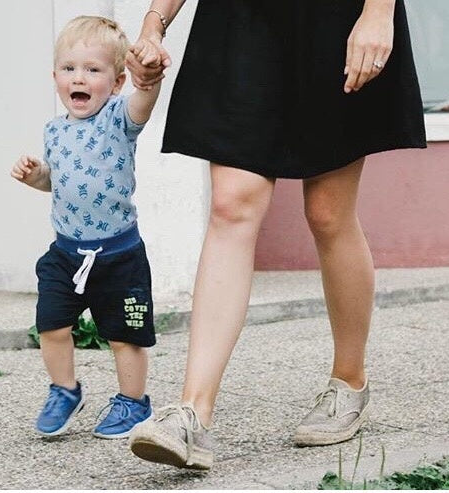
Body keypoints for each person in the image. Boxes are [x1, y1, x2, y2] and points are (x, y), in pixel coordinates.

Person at [125, 0, 426, 469]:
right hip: (241, 19)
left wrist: (378, 12)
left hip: (334, 17)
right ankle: (191, 414)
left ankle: (349, 382)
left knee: (328, 213)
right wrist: (154, 22)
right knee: (231, 205)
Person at [10, 15, 161, 439]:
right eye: (70, 68)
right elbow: (55, 183)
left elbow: (143, 100)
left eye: (93, 70)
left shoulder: (118, 117)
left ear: (114, 83)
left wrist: (147, 80)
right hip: (66, 253)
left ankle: (133, 403)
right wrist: (36, 174)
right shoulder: (54, 130)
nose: (80, 77)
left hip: (119, 255)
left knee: (124, 336)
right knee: (51, 325)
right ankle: (65, 389)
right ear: (55, 77)